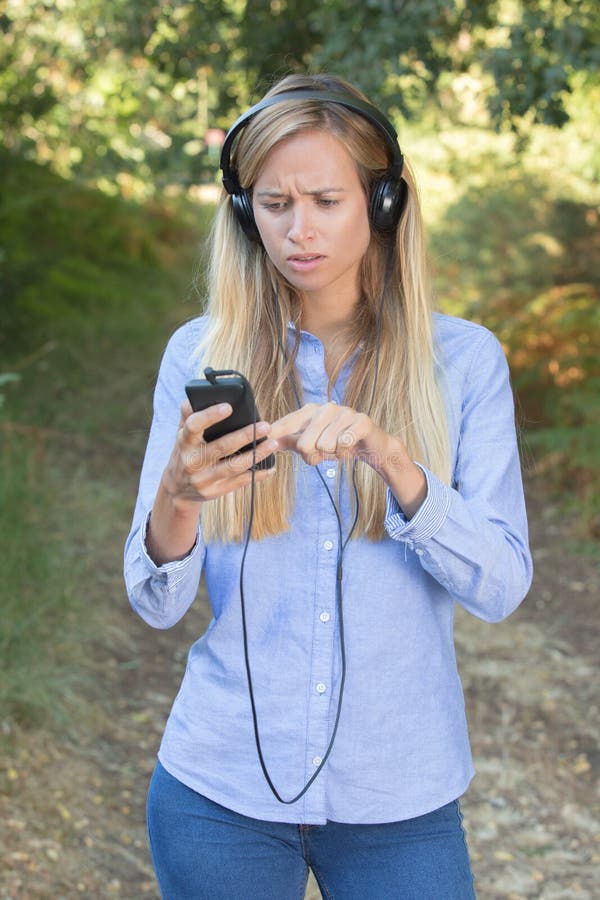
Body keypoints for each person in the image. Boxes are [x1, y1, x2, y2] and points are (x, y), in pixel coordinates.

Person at [124, 72, 533, 900]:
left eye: (324, 200)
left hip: (401, 799)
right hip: (217, 790)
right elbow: (156, 603)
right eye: (273, 204)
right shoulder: (197, 355)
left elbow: (502, 586)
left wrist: (396, 462)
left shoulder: (465, 363)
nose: (296, 230)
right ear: (245, 214)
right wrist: (178, 495)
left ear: (381, 205)